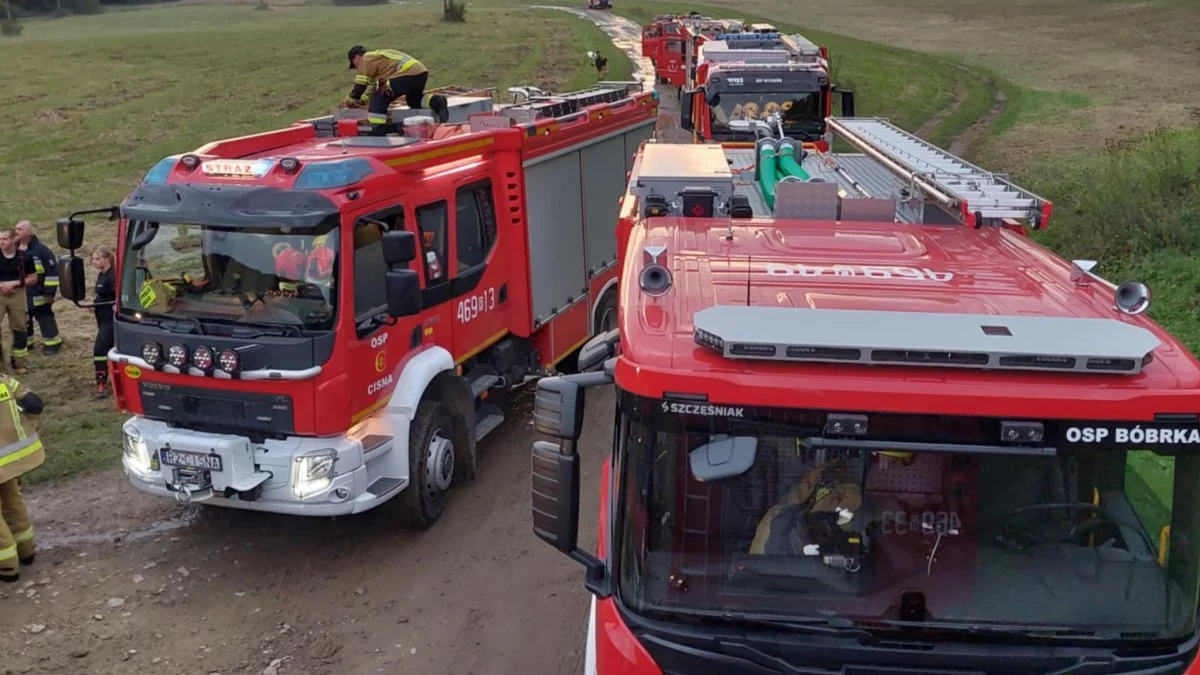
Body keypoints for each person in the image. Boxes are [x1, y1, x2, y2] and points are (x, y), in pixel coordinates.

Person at [0, 367, 45, 583]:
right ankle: (26, 552)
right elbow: (34, 402)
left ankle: (7, 566)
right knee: (12, 501)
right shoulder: (4, 381)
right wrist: (32, 424)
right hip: (13, 460)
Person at [341, 46, 450, 134]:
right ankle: (437, 101)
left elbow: (360, 86)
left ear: (356, 58)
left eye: (354, 65)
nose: (356, 68)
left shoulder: (366, 59)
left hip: (407, 72)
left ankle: (377, 129)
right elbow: (374, 88)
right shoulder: (377, 59)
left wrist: (350, 99)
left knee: (380, 97)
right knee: (414, 100)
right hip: (419, 72)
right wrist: (362, 101)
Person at [14, 221, 62, 356]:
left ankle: (52, 344)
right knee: (23, 319)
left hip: (39, 292)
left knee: (44, 318)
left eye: (20, 229)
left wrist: (49, 292)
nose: (16, 231)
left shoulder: (41, 251)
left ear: (29, 233)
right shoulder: (14, 249)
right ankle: (27, 344)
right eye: (15, 228)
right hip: (21, 293)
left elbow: (52, 273)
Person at [0, 230, 36, 376]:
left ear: (14, 239)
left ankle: (19, 363)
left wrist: (13, 284)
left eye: (5, 239)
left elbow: (33, 278)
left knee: (20, 329)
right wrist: (2, 286)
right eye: (0, 239)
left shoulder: (24, 257)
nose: (1, 242)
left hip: (18, 294)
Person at [90, 247, 117, 397]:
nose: (94, 262)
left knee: (99, 350)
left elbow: (116, 297)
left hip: (110, 320)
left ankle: (101, 383)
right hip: (102, 318)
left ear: (107, 259)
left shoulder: (113, 276)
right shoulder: (102, 275)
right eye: (93, 259)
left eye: (97, 259)